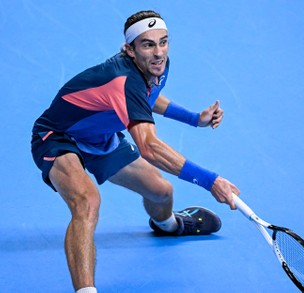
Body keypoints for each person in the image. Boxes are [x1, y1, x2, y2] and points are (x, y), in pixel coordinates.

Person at [31, 10, 240, 293]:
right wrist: (210, 180)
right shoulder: (123, 80)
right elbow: (150, 147)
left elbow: (147, 98)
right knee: (87, 202)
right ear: (129, 49)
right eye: (148, 44)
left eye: (163, 42)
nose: (158, 53)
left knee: (161, 191)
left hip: (102, 138)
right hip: (58, 138)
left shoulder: (156, 66)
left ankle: (168, 225)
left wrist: (194, 118)